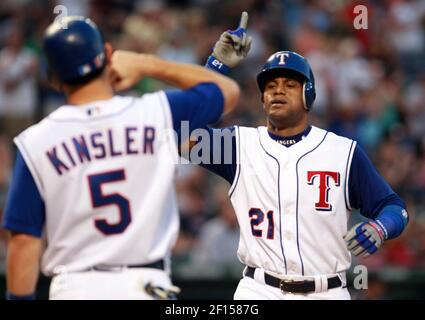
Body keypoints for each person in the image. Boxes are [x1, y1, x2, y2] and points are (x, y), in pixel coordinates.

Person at [2, 16, 240, 300]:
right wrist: (146, 64)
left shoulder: (36, 141)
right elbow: (228, 92)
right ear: (110, 55)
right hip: (144, 284)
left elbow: (24, 242)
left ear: (52, 78)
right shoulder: (155, 113)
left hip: (74, 287)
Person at [192, 13, 409, 300]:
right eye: (270, 86)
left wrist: (380, 228)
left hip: (326, 290)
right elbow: (184, 131)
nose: (278, 90)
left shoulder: (342, 151)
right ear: (262, 98)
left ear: (308, 94)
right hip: (258, 289)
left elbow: (395, 208)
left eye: (290, 84)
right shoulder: (239, 145)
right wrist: (215, 68)